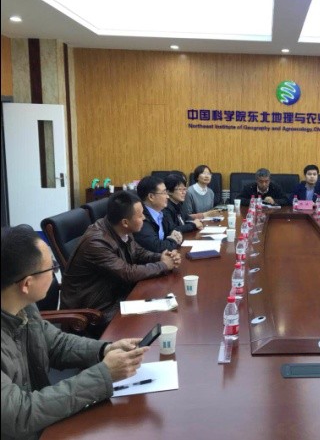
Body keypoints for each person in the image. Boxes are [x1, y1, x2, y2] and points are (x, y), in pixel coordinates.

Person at [1, 224, 149, 440]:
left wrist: (104, 350)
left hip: (42, 422)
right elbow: (19, 415)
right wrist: (104, 375)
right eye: (52, 268)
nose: (55, 272)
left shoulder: (23, 306)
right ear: (26, 284)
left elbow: (56, 344)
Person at [61, 191, 181, 325]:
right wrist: (163, 265)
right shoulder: (96, 242)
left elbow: (138, 253)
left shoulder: (120, 228)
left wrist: (162, 257)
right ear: (125, 222)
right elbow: (127, 272)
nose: (144, 218)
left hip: (116, 294)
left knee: (167, 307)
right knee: (157, 321)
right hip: (95, 310)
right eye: (140, 215)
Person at [134, 176, 183, 252]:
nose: (167, 196)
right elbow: (156, 246)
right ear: (151, 197)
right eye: (164, 193)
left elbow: (173, 229)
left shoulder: (163, 212)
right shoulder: (141, 217)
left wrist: (176, 234)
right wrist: (174, 240)